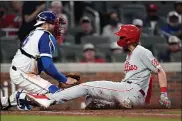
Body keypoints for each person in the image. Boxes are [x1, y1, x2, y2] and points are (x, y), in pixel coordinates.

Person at [27, 25, 171, 109]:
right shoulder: (131, 54)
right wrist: (143, 101)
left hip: (131, 89)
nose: (119, 39)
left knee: (86, 87)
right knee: (90, 99)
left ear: (130, 38)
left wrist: (164, 94)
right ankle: (119, 104)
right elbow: (148, 78)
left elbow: (160, 71)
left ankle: (49, 99)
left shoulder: (141, 51)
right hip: (131, 93)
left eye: (122, 37)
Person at [1, 11, 78, 110]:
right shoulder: (45, 36)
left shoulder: (35, 33)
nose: (56, 26)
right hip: (23, 73)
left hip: (23, 71)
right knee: (57, 94)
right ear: (45, 24)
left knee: (53, 92)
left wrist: (60, 79)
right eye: (53, 23)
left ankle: (6, 101)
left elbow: (44, 65)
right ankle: (21, 97)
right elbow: (48, 66)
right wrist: (64, 79)